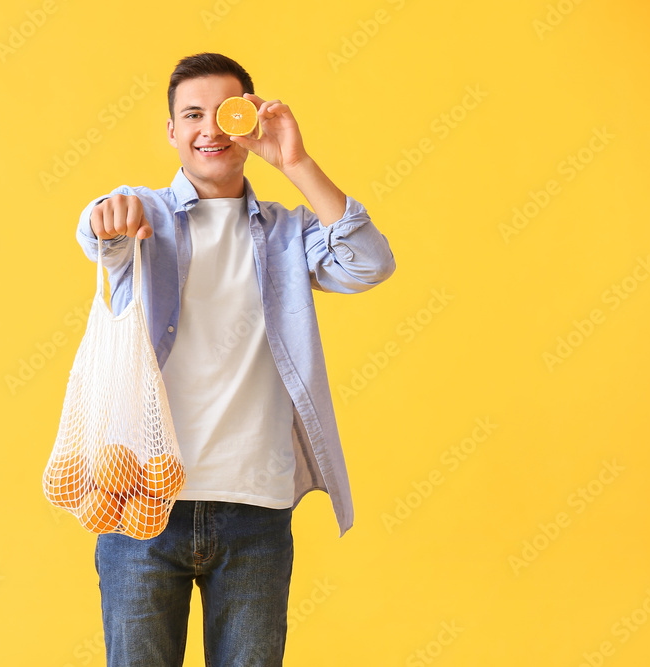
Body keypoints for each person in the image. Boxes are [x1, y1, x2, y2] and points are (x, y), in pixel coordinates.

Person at [74, 52, 396, 667]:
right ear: (172, 132)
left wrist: (295, 162)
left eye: (226, 113)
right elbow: (101, 231)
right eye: (192, 115)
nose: (210, 130)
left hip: (255, 507)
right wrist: (104, 223)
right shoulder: (144, 214)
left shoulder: (286, 234)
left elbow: (369, 263)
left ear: (249, 122)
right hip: (143, 502)